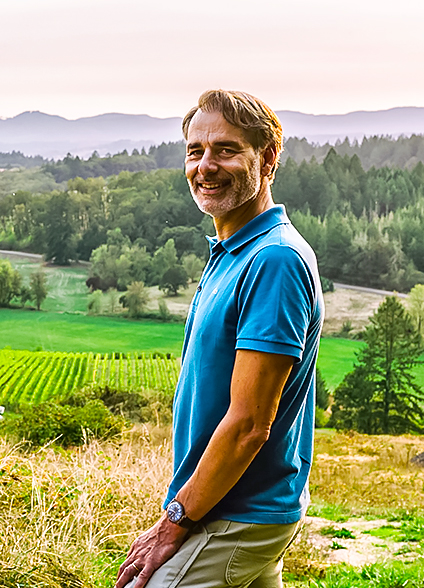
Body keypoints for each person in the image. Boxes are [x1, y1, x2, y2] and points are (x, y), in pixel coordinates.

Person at [116, 90, 323, 588]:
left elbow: (250, 424)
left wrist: (175, 521)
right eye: (195, 151)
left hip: (236, 515)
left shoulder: (273, 260)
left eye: (226, 150)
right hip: (236, 505)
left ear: (267, 159)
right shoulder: (233, 251)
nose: (205, 166)